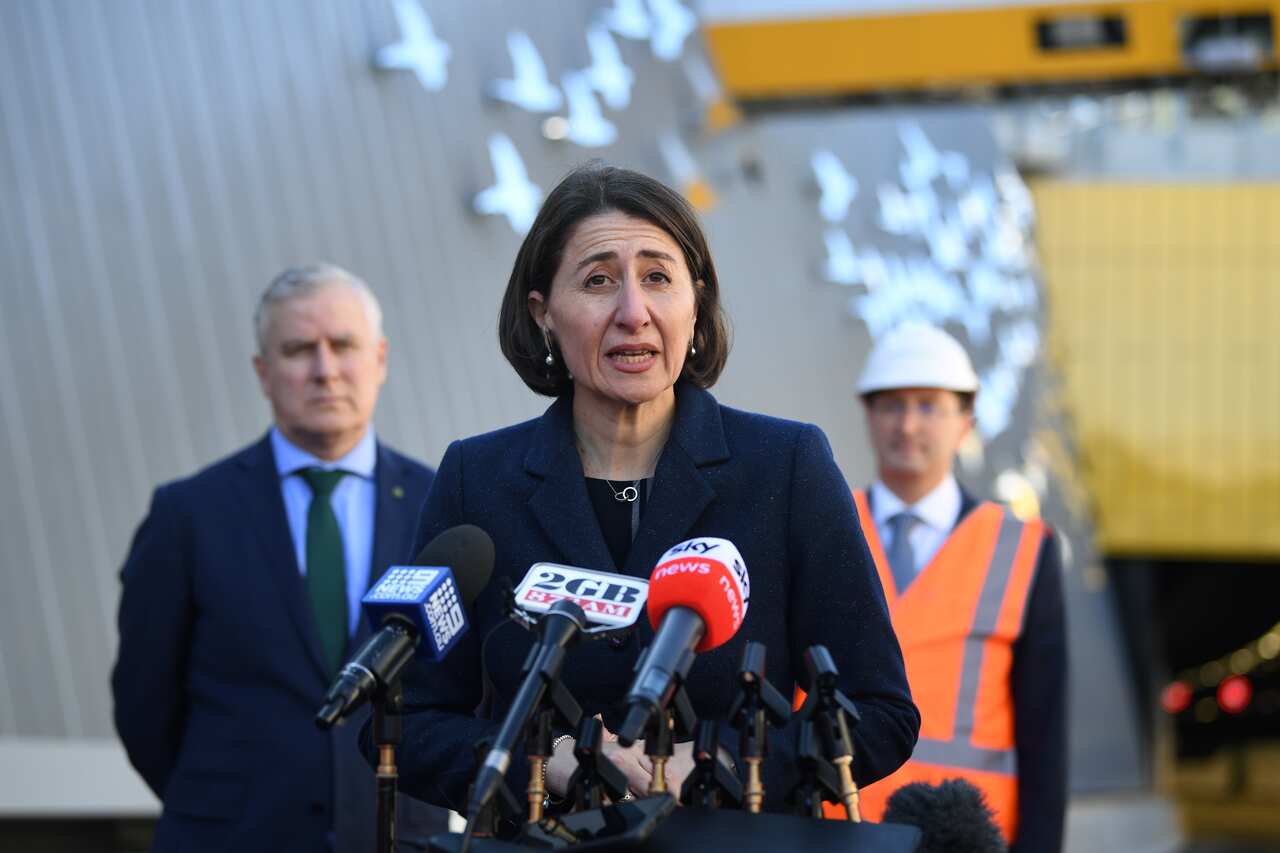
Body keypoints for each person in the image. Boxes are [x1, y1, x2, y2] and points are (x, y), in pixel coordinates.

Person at [386, 164, 919, 819]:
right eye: (599, 280)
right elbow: (403, 720)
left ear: (695, 305)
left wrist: (715, 763)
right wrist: (535, 758)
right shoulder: (477, 478)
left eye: (658, 278)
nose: (632, 312)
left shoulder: (787, 466)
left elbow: (880, 713)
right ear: (543, 313)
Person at [112, 265, 446, 852]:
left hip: (396, 839)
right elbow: (144, 706)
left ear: (380, 359)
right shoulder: (187, 515)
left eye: (343, 345)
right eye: (298, 350)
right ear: (263, 373)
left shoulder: (441, 507)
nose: (324, 370)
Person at [849, 323, 1067, 852]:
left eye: (928, 405)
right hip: (834, 827)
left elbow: (1045, 734)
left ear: (966, 421)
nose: (907, 424)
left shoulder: (1024, 549)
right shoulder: (824, 525)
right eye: (891, 405)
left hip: (964, 837)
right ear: (869, 417)